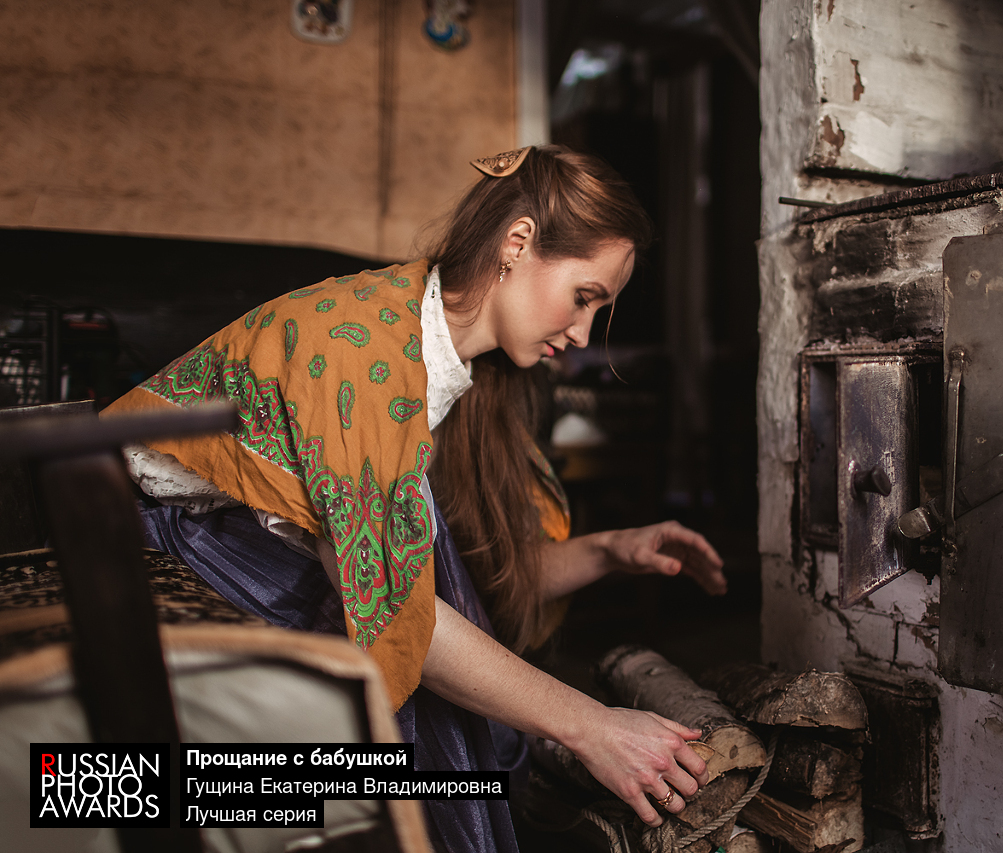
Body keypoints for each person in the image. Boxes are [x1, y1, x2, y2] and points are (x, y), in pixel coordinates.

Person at [103, 144, 727, 852]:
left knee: (430, 575)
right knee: (409, 687)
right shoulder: (364, 348)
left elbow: (471, 583)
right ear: (517, 242)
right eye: (585, 297)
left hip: (234, 542)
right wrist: (593, 726)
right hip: (146, 542)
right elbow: (399, 614)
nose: (583, 333)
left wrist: (613, 550)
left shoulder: (462, 375)